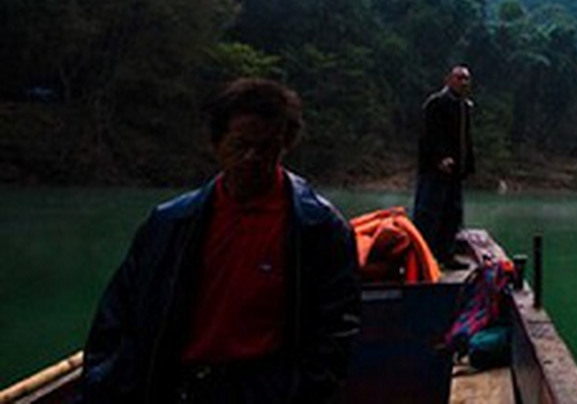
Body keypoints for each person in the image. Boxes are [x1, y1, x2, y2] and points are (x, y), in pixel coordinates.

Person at [82, 78, 361, 404]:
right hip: (176, 387)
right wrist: (106, 380)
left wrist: (298, 390)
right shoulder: (170, 223)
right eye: (240, 145)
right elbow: (118, 313)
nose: (251, 158)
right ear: (217, 144)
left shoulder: (318, 229)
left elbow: (337, 330)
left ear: (284, 146)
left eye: (266, 147)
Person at [413, 65, 476, 264]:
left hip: (455, 172)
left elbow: (466, 140)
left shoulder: (465, 106)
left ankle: (445, 254)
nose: (463, 82)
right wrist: (439, 158)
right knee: (429, 214)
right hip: (435, 169)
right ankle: (424, 257)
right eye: (459, 78)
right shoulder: (436, 103)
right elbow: (428, 136)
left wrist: (468, 165)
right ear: (449, 79)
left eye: (466, 79)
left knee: (452, 214)